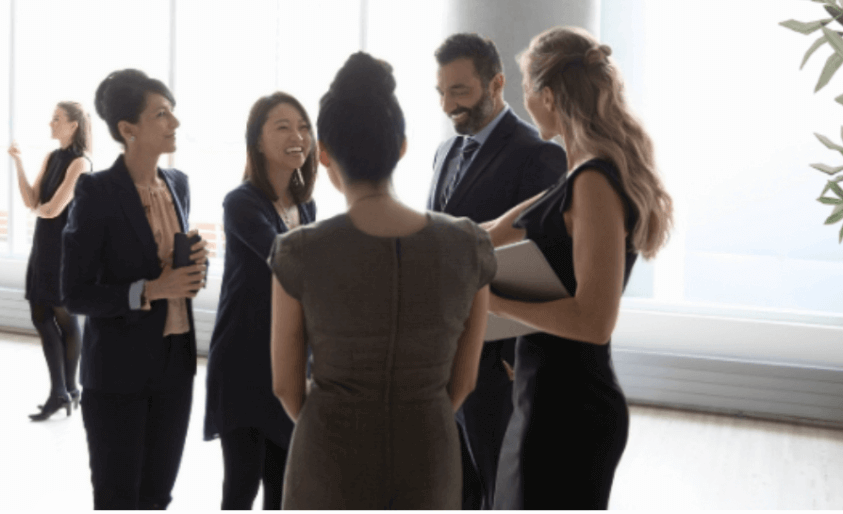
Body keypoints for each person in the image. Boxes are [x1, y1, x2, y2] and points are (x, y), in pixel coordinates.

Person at [270, 52, 495, 509]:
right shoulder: (467, 245)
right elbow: (464, 382)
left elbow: (286, 387)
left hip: (329, 456)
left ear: (325, 152)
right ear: (402, 147)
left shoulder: (300, 251)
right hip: (428, 452)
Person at [482, 26, 674, 509]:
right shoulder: (575, 179)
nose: (525, 102)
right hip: (544, 398)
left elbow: (594, 321)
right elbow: (487, 233)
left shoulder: (593, 182)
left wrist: (496, 303)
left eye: (526, 90)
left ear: (547, 96)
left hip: (569, 409)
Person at [429, 33, 566, 509]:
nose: (448, 105)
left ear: (497, 84)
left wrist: (514, 353)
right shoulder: (444, 153)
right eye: (442, 92)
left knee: (499, 487)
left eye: (459, 91)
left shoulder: (539, 155)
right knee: (453, 487)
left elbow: (547, 262)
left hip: (499, 363)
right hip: (441, 356)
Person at [61, 69, 208, 510]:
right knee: (118, 497)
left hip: (175, 365)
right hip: (118, 374)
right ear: (128, 130)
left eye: (173, 112)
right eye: (161, 114)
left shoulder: (178, 184)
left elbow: (165, 267)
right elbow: (76, 292)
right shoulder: (97, 191)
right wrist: (150, 289)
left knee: (158, 496)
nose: (174, 123)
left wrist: (192, 266)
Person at [204, 92, 318, 510]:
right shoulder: (241, 203)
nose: (298, 136)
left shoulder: (305, 207)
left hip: (288, 359)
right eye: (283, 126)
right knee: (241, 486)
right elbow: (289, 264)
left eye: (304, 127)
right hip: (244, 362)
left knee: (283, 486)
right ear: (257, 140)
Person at [8, 102, 92, 421]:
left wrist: (40, 207)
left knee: (66, 319)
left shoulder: (81, 163)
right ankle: (63, 391)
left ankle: (67, 390)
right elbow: (32, 201)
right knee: (42, 315)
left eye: (56, 119)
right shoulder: (52, 157)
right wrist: (18, 163)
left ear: (73, 125)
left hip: (65, 251)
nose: (50, 123)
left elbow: (53, 209)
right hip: (44, 246)